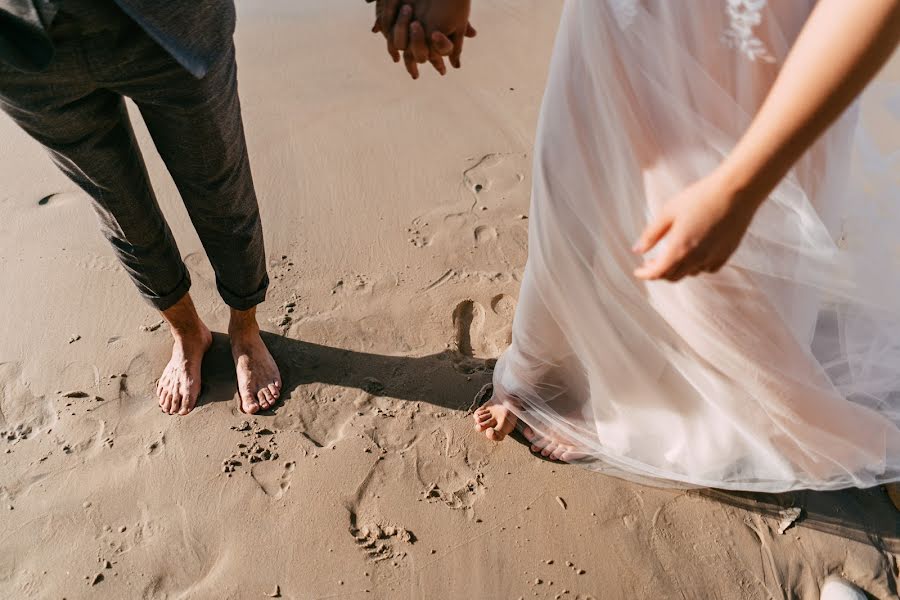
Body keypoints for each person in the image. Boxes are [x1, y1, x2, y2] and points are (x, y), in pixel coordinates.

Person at [374, 0, 900, 502]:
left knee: (716, 247)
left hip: (755, 38)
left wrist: (740, 187)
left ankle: (677, 412)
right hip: (624, 13)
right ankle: (549, 365)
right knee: (580, 177)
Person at [0, 0, 281, 415]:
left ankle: (245, 326)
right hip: (20, 44)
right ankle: (187, 334)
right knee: (118, 207)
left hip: (172, 19)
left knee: (220, 186)